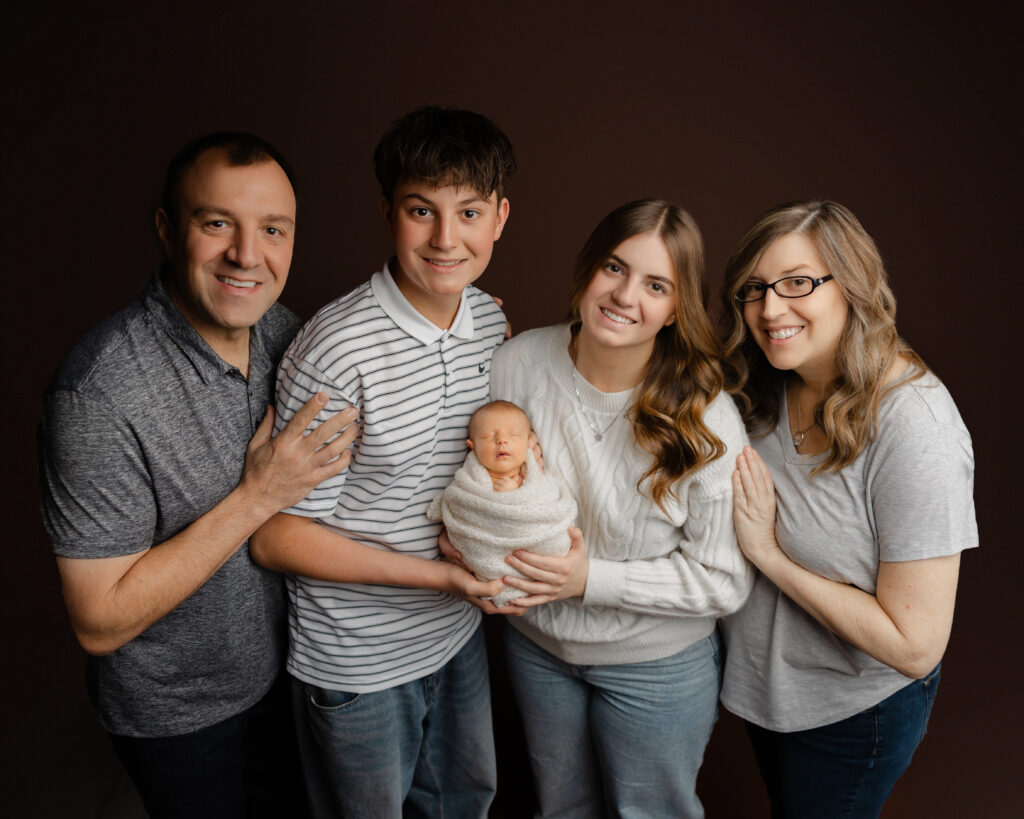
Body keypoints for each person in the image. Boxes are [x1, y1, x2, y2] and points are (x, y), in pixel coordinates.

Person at [37, 132, 359, 819]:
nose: (247, 254)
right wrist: (257, 496)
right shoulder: (98, 394)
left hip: (290, 673)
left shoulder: (286, 333)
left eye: (272, 229)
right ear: (166, 229)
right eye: (216, 224)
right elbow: (98, 621)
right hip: (182, 720)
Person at [248, 106, 516, 818]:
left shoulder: (490, 322)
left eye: (469, 212)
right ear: (388, 212)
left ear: (500, 218)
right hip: (359, 659)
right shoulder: (337, 349)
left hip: (455, 637)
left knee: (465, 805)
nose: (445, 239)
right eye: (421, 210)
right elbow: (277, 537)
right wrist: (443, 578)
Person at [486, 199, 753, 818]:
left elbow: (725, 581)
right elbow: (481, 481)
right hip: (537, 647)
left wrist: (590, 579)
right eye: (615, 267)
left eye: (656, 285)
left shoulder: (705, 416)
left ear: (676, 309)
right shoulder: (515, 363)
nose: (625, 296)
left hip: (657, 663)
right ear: (588, 269)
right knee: (561, 809)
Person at [718, 200, 978, 818]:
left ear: (853, 285)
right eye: (755, 288)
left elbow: (915, 646)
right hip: (769, 693)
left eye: (797, 283)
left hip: (854, 716)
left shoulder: (916, 426)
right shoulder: (767, 379)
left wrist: (768, 556)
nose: (770, 309)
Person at [427, 400, 577, 607]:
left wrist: (515, 494)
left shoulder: (537, 482)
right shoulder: (468, 483)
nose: (502, 441)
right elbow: (459, 501)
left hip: (532, 553)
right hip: (485, 558)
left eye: (514, 435)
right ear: (473, 446)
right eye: (488, 437)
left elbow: (548, 508)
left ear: (529, 443)